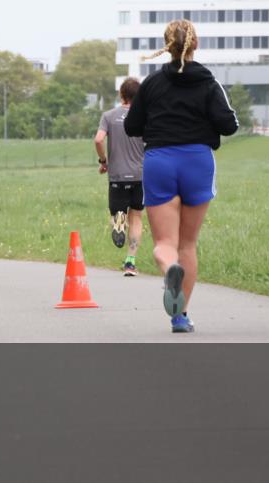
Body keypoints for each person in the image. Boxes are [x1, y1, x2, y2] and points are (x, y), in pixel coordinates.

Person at [124, 19, 239, 333]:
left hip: (160, 161)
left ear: (167, 46)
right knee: (188, 244)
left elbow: (132, 126)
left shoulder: (151, 84)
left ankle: (169, 268)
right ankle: (180, 316)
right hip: (197, 162)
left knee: (165, 242)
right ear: (195, 44)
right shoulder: (208, 83)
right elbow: (230, 125)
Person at [95, 78, 146, 276]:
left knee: (120, 213)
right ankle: (130, 262)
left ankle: (118, 220)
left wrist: (103, 161)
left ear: (121, 95)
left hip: (117, 176)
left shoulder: (109, 116)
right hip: (140, 176)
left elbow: (98, 139)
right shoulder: (144, 117)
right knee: (137, 217)